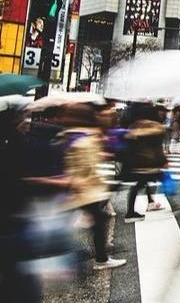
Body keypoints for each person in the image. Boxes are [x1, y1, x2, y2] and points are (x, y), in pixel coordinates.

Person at [60, 103, 126, 270]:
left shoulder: (70, 135)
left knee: (96, 220)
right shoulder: (85, 140)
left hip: (77, 189)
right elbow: (87, 168)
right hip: (86, 190)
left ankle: (98, 256)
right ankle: (99, 259)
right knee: (98, 222)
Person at [122, 104, 168, 222]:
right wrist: (164, 161)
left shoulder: (134, 126)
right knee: (142, 184)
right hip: (151, 162)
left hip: (137, 162)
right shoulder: (156, 127)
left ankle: (147, 205)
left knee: (139, 185)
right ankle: (131, 212)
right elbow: (158, 148)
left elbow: (129, 144)